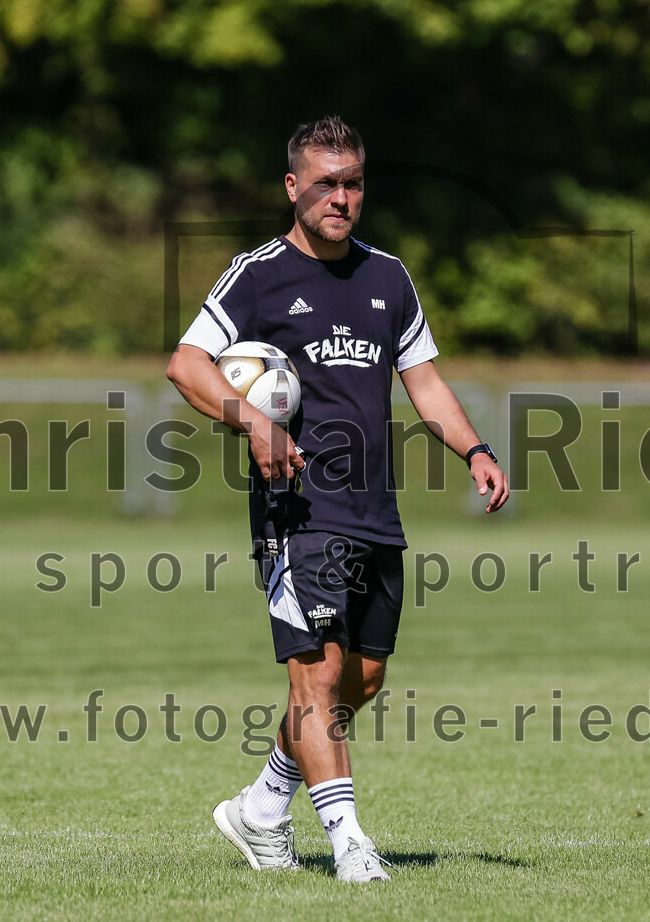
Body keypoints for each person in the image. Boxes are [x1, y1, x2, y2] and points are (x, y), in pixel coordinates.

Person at [166, 116, 509, 882]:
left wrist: (476, 450)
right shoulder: (256, 275)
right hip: (297, 510)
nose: (342, 197)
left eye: (353, 182)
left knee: (365, 678)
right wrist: (251, 417)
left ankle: (259, 808)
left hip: (374, 512)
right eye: (326, 183)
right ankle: (350, 842)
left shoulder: (389, 277)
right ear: (294, 187)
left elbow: (424, 383)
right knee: (315, 677)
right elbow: (187, 364)